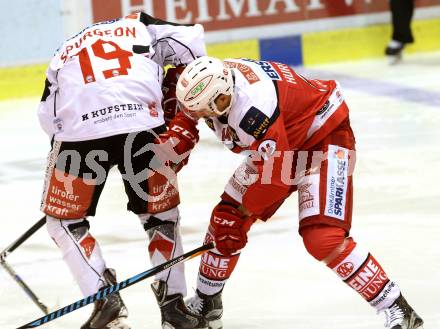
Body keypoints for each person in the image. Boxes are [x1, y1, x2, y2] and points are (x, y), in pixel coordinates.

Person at [159, 56, 424, 329]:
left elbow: (276, 180)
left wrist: (240, 215)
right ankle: (207, 303)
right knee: (224, 219)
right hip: (283, 138)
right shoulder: (212, 83)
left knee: (323, 238)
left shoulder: (253, 110)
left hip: (322, 138)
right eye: (203, 112)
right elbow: (190, 112)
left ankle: (398, 308)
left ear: (226, 91)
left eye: (214, 107)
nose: (210, 115)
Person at [38, 12, 208, 329]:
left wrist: (71, 171)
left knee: (63, 221)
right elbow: (194, 42)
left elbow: (48, 116)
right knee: (161, 216)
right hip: (144, 124)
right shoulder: (141, 26)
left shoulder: (64, 48)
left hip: (80, 135)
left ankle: (105, 301)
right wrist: (172, 98)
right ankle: (174, 309)